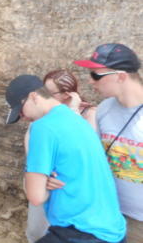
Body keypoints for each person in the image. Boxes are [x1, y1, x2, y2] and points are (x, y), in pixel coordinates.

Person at [6, 74, 126, 243]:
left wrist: (41, 181)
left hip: (82, 232)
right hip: (112, 229)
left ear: (34, 96)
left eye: (21, 110)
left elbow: (36, 196)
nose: (23, 117)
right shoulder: (77, 120)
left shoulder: (42, 127)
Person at [18, 69, 98, 242]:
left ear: (67, 95)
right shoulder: (39, 120)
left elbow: (89, 152)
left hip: (74, 191)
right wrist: (42, 177)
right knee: (37, 232)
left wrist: (73, 111)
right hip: (46, 184)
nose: (44, 96)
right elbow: (32, 156)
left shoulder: (88, 114)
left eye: (50, 92)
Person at [74, 43, 143, 243]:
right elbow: (93, 157)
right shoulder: (105, 108)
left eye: (96, 75)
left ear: (121, 76)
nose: (90, 81)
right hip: (109, 215)